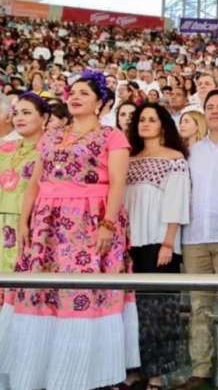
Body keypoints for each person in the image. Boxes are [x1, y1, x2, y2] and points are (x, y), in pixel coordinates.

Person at [0, 70, 138, 389]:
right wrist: (24, 221)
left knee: (81, 293)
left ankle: (78, 376)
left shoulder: (112, 137)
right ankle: (36, 373)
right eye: (72, 92)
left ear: (101, 102)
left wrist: (107, 224)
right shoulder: (51, 135)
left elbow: (118, 183)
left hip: (90, 224)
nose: (74, 97)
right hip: (46, 227)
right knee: (40, 293)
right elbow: (35, 182)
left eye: (84, 93)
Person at [179, 90, 218, 390]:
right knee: (199, 307)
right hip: (194, 236)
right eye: (210, 107)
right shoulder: (192, 151)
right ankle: (201, 371)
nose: (215, 111)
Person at [124, 102, 190, 390]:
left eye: (152, 119)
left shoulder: (174, 158)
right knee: (133, 307)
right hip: (130, 243)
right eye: (141, 119)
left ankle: (158, 371)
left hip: (159, 242)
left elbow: (176, 202)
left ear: (163, 125)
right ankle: (136, 367)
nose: (145, 123)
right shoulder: (129, 158)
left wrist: (167, 242)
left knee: (160, 307)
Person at [0, 93, 49, 283]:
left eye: (26, 113)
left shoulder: (51, 150)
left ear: (43, 117)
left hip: (30, 225)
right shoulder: (5, 148)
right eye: (16, 113)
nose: (19, 118)